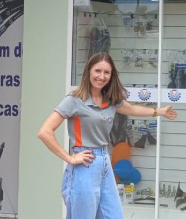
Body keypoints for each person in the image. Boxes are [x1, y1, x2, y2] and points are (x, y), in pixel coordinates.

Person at [38, 52, 177, 219]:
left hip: (104, 162)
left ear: (112, 76)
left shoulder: (111, 100)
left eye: (107, 72)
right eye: (97, 71)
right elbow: (44, 132)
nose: (101, 76)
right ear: (89, 71)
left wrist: (159, 111)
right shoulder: (75, 100)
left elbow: (132, 109)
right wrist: (70, 158)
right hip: (86, 163)